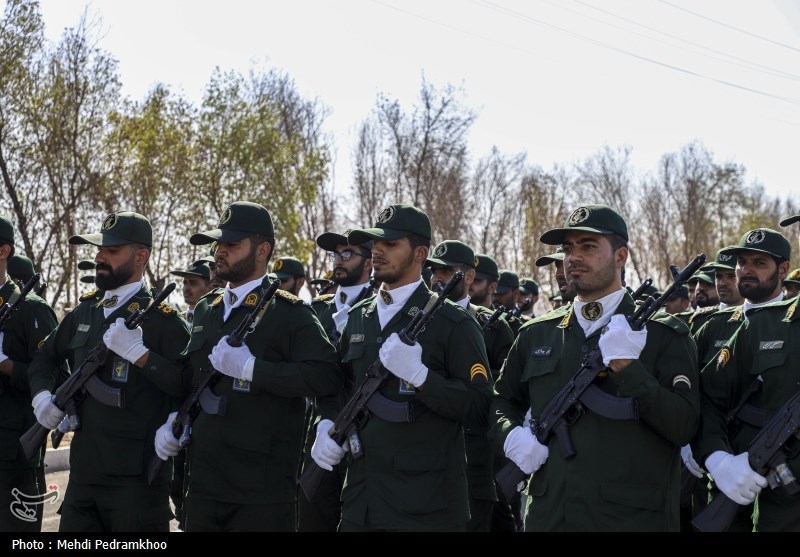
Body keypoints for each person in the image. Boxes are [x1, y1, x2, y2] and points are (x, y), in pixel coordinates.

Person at [489, 204, 699, 531]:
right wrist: (511, 435)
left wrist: (629, 370)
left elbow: (684, 426)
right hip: (549, 515)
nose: (573, 257)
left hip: (631, 520)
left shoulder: (663, 334)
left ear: (620, 256)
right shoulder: (537, 333)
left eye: (588, 246)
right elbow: (501, 400)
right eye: (568, 249)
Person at [154, 201, 342, 532]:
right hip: (203, 485)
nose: (219, 252)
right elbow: (188, 378)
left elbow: (325, 375)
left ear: (262, 250)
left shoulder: (289, 313)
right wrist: (172, 416)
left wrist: (254, 370)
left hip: (261, 493)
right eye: (219, 245)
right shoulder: (207, 311)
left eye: (231, 244)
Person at [312, 203, 492, 531]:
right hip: (360, 502)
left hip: (425, 507)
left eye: (391, 244)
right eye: (375, 244)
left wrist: (421, 377)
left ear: (420, 253)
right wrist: (325, 422)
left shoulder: (453, 322)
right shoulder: (358, 316)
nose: (377, 251)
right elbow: (334, 385)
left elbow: (480, 407)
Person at [27, 211, 190, 532]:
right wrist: (42, 396)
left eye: (112, 251)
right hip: (84, 475)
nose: (100, 257)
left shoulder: (163, 321)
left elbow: (188, 384)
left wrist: (143, 357)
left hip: (138, 481)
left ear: (141, 256)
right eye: (100, 249)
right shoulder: (85, 310)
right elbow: (44, 359)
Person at [689, 228, 791, 532]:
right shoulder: (713, 326)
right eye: (742, 263)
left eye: (759, 264)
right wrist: (715, 458)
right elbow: (699, 395)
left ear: (782, 270)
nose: (746, 271)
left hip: (786, 475)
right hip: (727, 470)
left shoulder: (792, 324)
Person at [426, 239, 515, 532]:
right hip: (426, 455)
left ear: (469, 277)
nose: (437, 277)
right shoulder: (419, 321)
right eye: (434, 270)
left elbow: (505, 388)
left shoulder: (493, 325)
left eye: (446, 270)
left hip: (473, 455)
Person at [297, 229, 374, 532]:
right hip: (319, 434)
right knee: (313, 518)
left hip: (365, 438)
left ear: (369, 263)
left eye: (348, 254)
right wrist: (321, 422)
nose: (338, 261)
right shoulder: (317, 310)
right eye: (335, 254)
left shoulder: (380, 310)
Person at [0, 217, 59, 532]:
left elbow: (57, 378)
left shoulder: (31, 309)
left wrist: (6, 365)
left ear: (3, 251)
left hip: (13, 455)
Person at [170, 260, 213, 328]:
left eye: (193, 283)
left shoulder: (215, 319)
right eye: (185, 283)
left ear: (209, 286)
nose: (186, 288)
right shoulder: (178, 320)